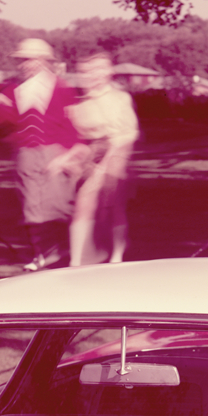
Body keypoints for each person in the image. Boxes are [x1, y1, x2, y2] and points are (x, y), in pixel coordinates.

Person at [0, 38, 81, 271]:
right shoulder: (12, 89)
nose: (26, 64)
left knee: (57, 203)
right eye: (22, 60)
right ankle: (41, 254)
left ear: (44, 61)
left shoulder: (62, 87)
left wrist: (70, 154)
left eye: (31, 59)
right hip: (26, 152)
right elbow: (8, 122)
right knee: (32, 205)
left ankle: (62, 251)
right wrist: (0, 106)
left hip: (56, 151)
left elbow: (72, 123)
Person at [55, 51, 140, 266]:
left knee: (113, 200)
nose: (94, 75)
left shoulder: (119, 98)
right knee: (84, 202)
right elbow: (81, 138)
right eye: (87, 71)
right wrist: (69, 157)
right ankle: (78, 259)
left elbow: (127, 133)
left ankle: (117, 255)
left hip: (118, 146)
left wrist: (107, 163)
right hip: (93, 150)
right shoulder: (79, 103)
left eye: (101, 69)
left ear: (109, 71)